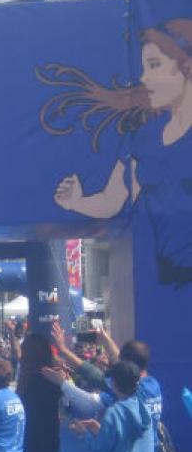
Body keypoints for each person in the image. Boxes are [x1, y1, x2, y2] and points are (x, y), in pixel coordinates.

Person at [41, 18, 192, 286]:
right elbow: (111, 201)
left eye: (154, 65)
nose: (144, 77)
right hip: (167, 277)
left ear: (186, 66)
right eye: (144, 67)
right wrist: (74, 202)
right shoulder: (143, 137)